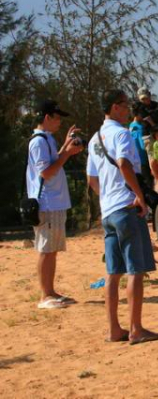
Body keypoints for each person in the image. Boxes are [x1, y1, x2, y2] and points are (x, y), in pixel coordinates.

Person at [86, 89, 158, 344]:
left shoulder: (95, 139)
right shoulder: (122, 133)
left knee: (112, 272)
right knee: (136, 271)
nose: (128, 108)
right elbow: (124, 164)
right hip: (126, 208)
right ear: (115, 107)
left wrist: (105, 197)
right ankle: (136, 329)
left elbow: (91, 179)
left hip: (107, 210)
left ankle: (113, 329)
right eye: (124, 104)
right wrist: (139, 195)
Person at [26, 100, 83, 309]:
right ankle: (45, 295)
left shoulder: (46, 139)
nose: (59, 121)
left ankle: (50, 291)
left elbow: (54, 162)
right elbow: (47, 172)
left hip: (55, 202)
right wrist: (67, 153)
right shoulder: (38, 141)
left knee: (52, 249)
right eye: (57, 117)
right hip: (46, 203)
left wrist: (65, 148)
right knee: (46, 249)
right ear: (47, 117)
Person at [129, 109, 150, 184]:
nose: (143, 116)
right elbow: (142, 145)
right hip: (143, 159)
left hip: (141, 159)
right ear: (137, 115)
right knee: (148, 182)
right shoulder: (137, 127)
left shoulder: (134, 126)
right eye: (142, 114)